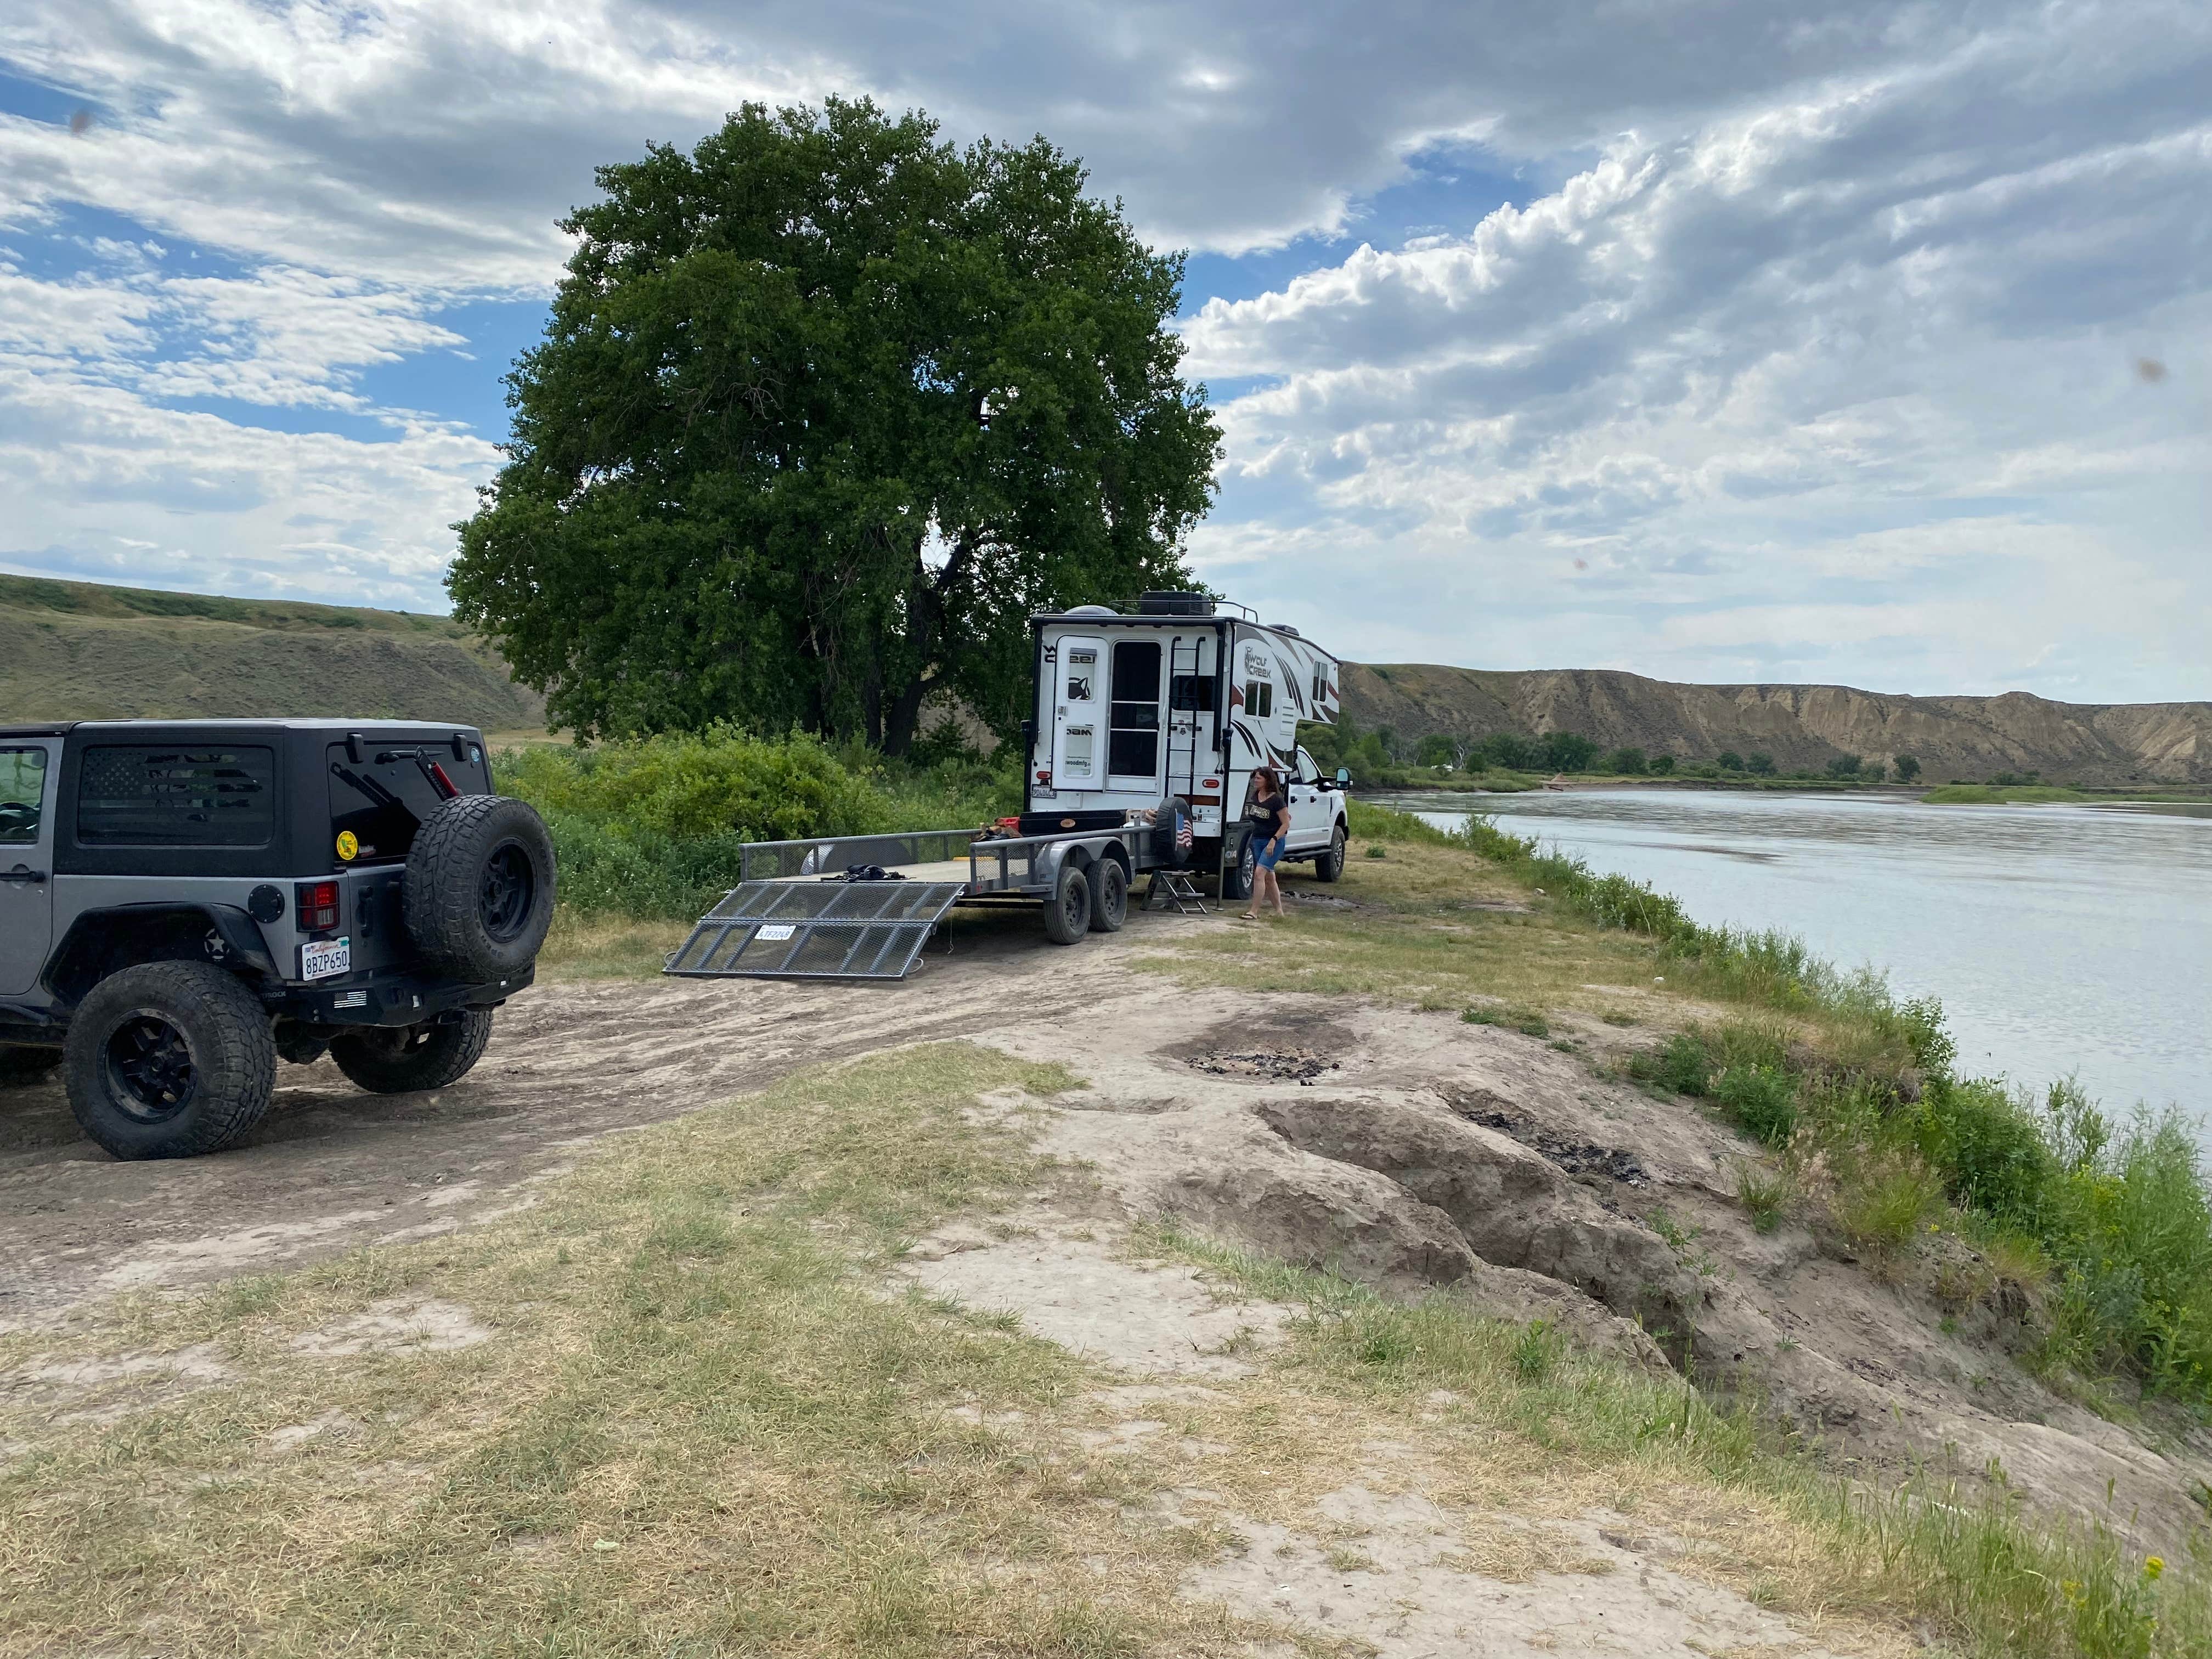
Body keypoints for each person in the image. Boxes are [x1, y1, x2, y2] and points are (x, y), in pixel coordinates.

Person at [1239, 764, 1291, 920]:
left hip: (1273, 842)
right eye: (1255, 778)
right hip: (1258, 840)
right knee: (1269, 877)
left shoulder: (1276, 800)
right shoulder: (1255, 795)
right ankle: (1279, 912)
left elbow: (1286, 824)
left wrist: (1274, 840)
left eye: (1259, 778)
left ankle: (1254, 911)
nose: (1256, 780)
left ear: (1267, 780)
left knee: (1259, 873)